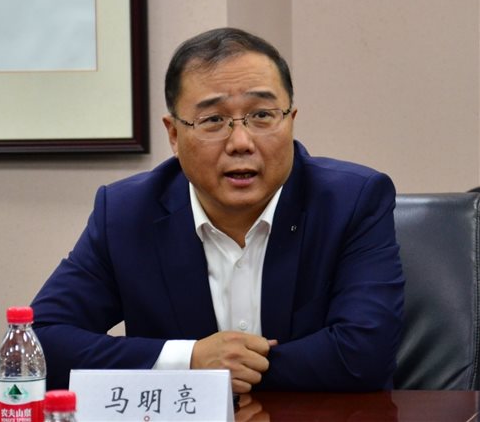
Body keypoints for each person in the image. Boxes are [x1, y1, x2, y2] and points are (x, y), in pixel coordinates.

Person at [31, 27, 404, 393]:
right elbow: (39, 343)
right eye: (213, 120)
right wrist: (190, 359)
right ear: (174, 135)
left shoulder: (352, 202)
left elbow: (364, 356)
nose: (241, 142)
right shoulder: (126, 214)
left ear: (290, 121)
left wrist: (224, 373)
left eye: (262, 115)